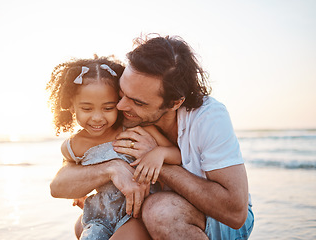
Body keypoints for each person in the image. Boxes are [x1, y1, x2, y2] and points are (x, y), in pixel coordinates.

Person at [50, 34, 254, 239]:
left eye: (138, 102)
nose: (121, 107)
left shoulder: (209, 118)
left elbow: (235, 214)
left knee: (159, 212)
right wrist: (111, 169)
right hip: (151, 208)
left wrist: (155, 161)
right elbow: (60, 183)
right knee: (84, 225)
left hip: (216, 219)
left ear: (174, 103)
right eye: (121, 93)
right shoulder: (115, 112)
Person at [46, 56, 181, 240]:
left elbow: (179, 156)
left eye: (108, 108)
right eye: (87, 109)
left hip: (135, 214)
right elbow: (67, 179)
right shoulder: (73, 146)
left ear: (119, 102)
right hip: (98, 216)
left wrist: (160, 153)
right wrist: (79, 192)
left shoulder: (138, 130)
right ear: (71, 107)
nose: (97, 118)